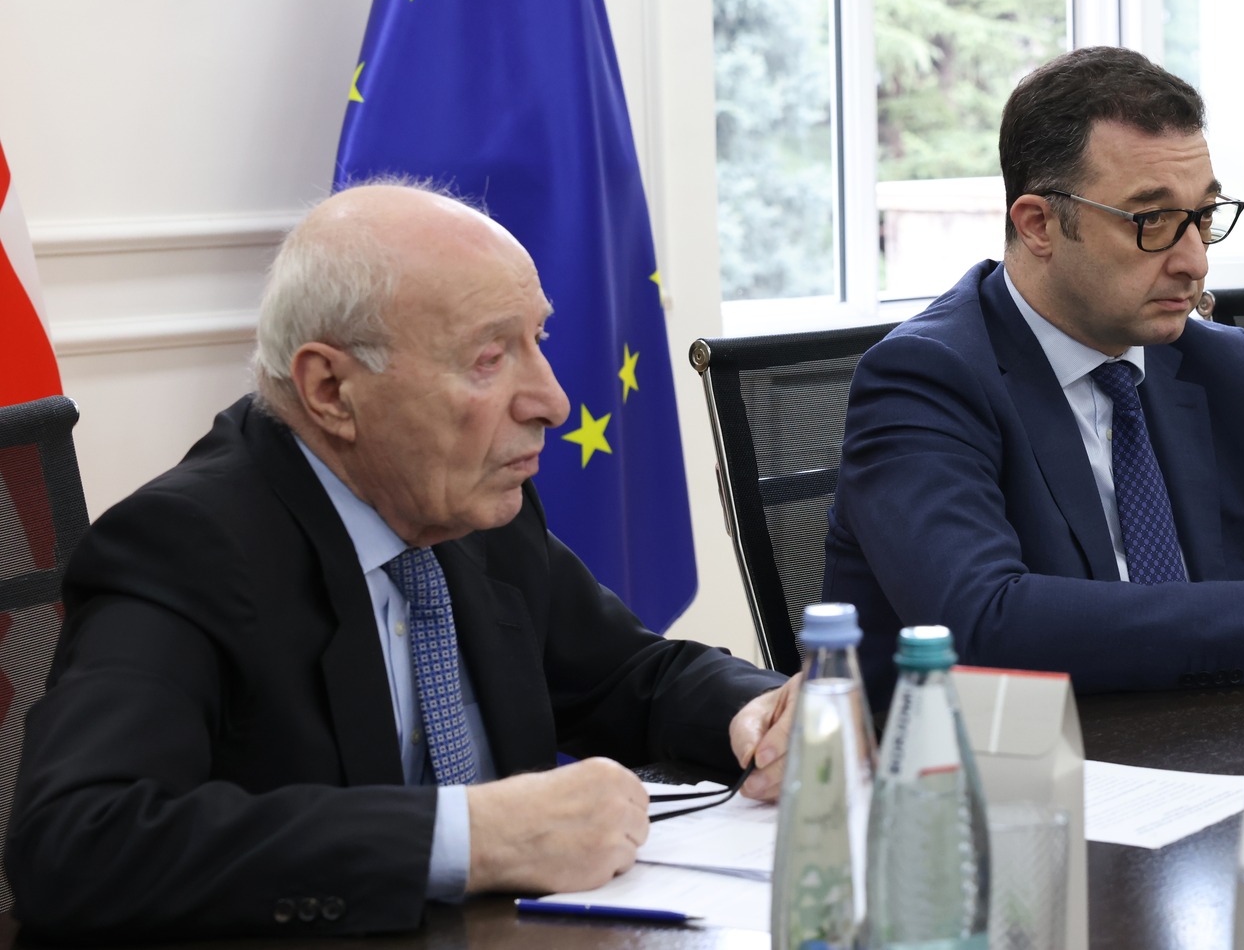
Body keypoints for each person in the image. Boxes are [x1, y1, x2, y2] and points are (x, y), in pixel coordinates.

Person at [6, 184, 794, 940]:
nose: (552, 401)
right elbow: (77, 840)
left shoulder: (465, 502)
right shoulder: (184, 547)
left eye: (538, 341)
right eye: (489, 357)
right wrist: (471, 837)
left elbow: (626, 676)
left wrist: (758, 714)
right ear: (331, 390)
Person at [821, 47, 1244, 702]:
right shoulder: (927, 377)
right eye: (1153, 221)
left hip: (1214, 744)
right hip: (986, 761)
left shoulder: (1221, 367)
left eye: (1203, 217)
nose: (1194, 261)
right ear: (1038, 225)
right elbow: (983, 622)